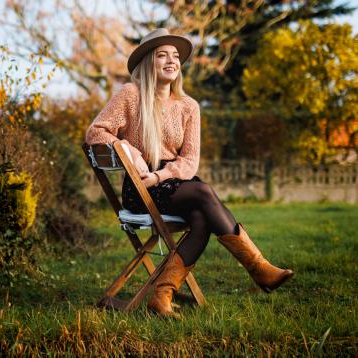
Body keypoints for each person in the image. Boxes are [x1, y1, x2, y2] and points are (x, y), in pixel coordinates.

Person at [85, 28, 294, 317]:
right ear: (148, 62)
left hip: (171, 181)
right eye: (162, 55)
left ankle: (162, 297)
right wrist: (129, 151)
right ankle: (259, 269)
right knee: (203, 193)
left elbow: (190, 161)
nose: (171, 61)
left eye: (175, 56)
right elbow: (95, 132)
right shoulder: (130, 95)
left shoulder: (189, 106)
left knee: (200, 218)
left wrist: (161, 176)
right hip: (140, 187)